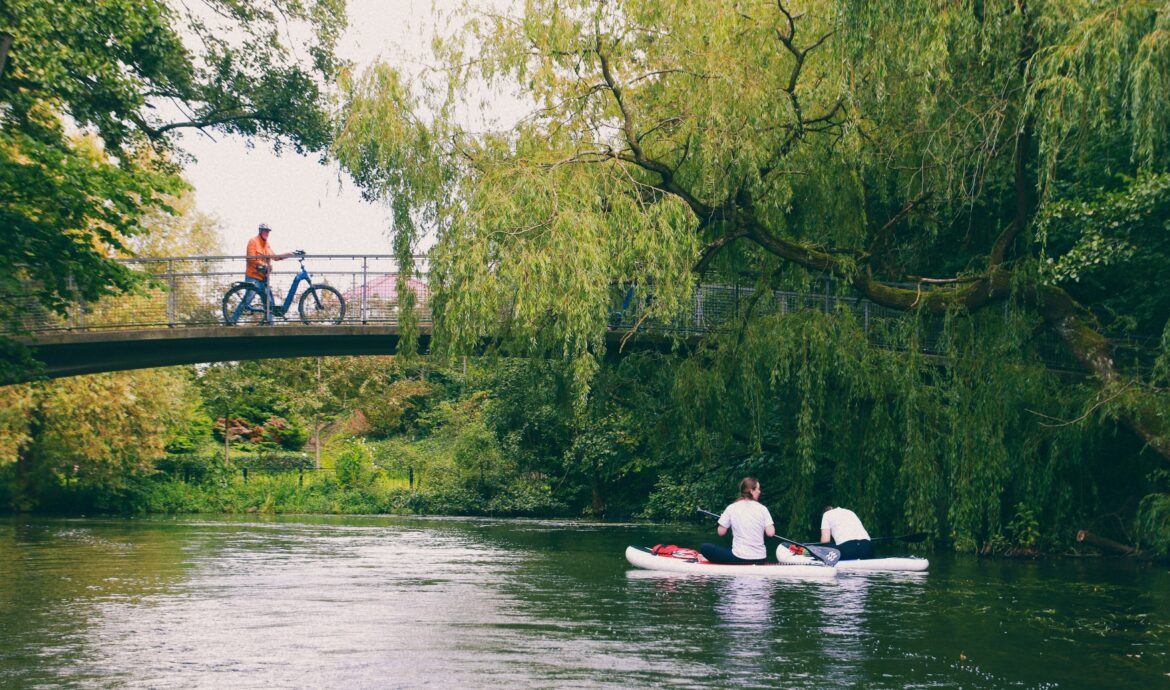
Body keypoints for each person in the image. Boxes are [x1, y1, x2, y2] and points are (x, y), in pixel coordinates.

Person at [700, 477, 776, 565]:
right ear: (751, 491)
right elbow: (770, 533)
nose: (759, 491)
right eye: (758, 489)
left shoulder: (731, 508)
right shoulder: (763, 509)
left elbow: (721, 532)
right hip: (760, 559)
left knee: (705, 547)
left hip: (739, 558)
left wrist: (723, 520)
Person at [233, 223, 297, 323]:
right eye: (265, 231)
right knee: (248, 299)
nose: (267, 233)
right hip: (253, 277)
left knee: (269, 303)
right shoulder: (253, 241)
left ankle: (270, 325)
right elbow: (251, 258)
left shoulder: (266, 244)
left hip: (263, 279)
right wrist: (264, 265)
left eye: (268, 231)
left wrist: (291, 254)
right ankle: (232, 321)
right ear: (260, 231)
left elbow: (275, 257)